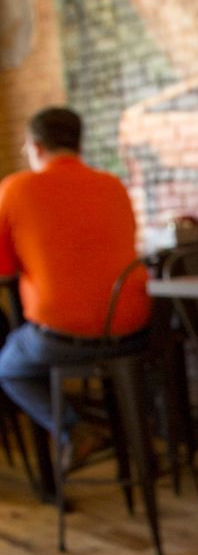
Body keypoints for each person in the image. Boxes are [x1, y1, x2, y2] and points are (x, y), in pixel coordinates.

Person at [0, 106, 150, 467]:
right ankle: (140, 451)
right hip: (135, 332)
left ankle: (73, 429)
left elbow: (4, 268)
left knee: (7, 369)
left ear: (36, 148)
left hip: (64, 340)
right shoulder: (113, 185)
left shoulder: (16, 188)